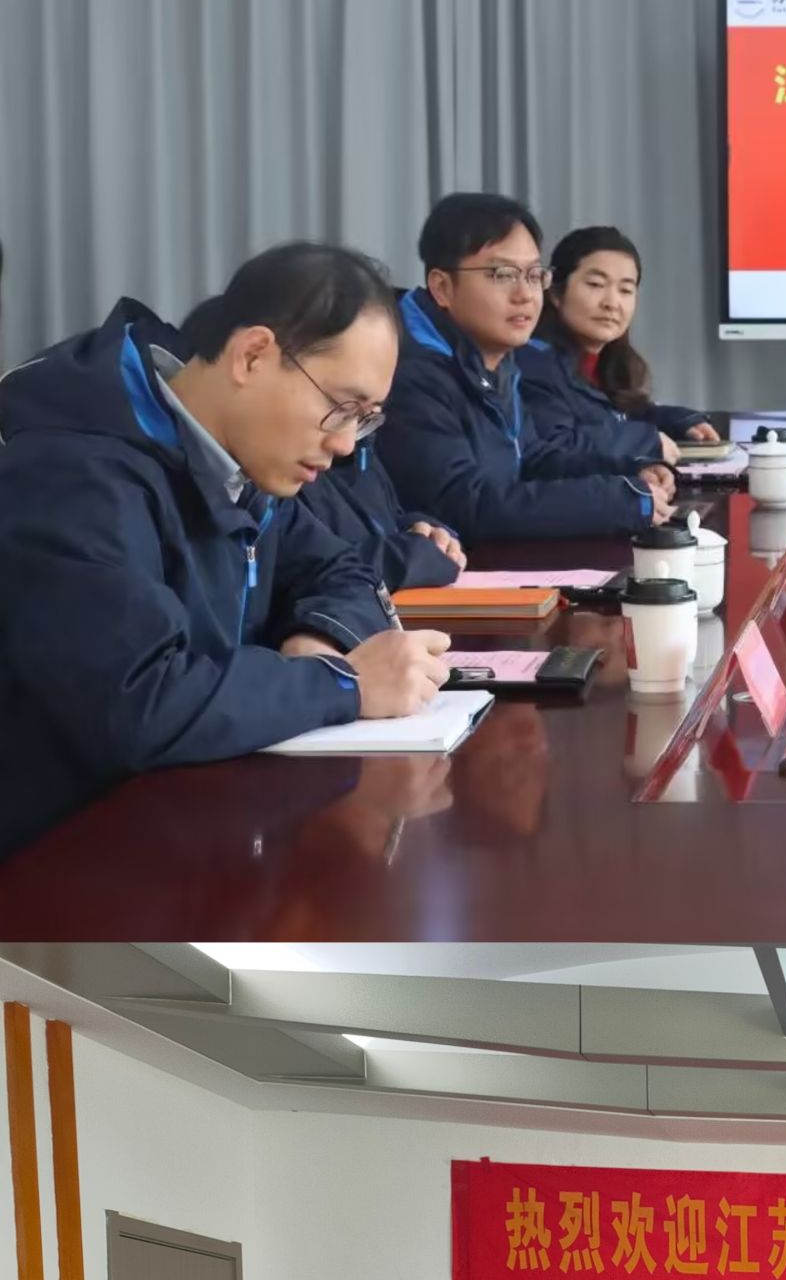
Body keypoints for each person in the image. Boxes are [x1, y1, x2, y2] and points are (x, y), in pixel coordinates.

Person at [0, 244, 451, 859]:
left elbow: (339, 566)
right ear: (253, 355)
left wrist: (317, 638)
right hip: (66, 857)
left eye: (366, 418)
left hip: (197, 822)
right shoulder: (74, 471)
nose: (347, 444)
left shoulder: (240, 458)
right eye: (341, 408)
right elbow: (138, 701)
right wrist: (341, 685)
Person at [378, 193, 679, 541]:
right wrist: (614, 502)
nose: (525, 294)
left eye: (534, 275)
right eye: (503, 274)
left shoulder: (494, 355)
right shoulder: (408, 371)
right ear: (443, 287)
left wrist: (629, 473)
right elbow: (463, 503)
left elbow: (531, 457)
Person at [522, 226, 718, 480]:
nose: (612, 303)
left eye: (625, 290)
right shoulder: (534, 363)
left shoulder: (606, 363)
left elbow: (625, 415)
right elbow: (556, 446)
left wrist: (683, 421)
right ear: (557, 293)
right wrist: (646, 441)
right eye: (596, 284)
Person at [300, 436, 465, 592]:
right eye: (343, 417)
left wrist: (429, 534)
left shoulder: (363, 447)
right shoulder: (295, 474)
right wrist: (411, 554)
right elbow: (315, 569)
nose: (346, 445)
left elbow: (389, 517)